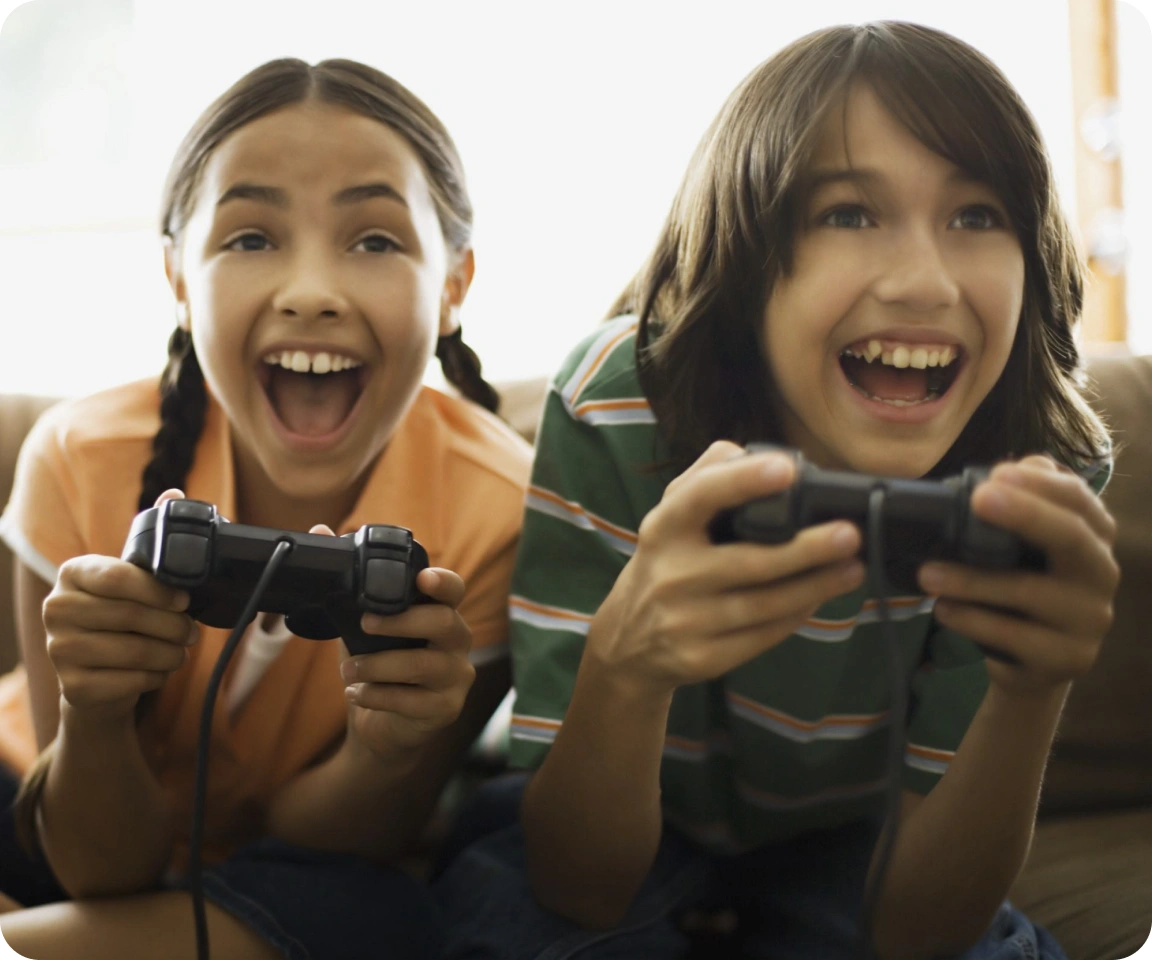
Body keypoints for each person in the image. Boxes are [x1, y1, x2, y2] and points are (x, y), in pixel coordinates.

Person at [435, 21, 1119, 960]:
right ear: (744, 258)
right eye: (848, 212)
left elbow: (922, 935)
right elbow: (578, 885)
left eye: (976, 215)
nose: (925, 282)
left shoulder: (1037, 471)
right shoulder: (616, 406)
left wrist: (1032, 692)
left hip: (857, 842)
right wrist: (627, 668)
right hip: (626, 806)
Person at [0, 57, 532, 960]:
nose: (311, 291)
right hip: (48, 818)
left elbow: (336, 842)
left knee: (380, 914)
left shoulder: (499, 510)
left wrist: (386, 750)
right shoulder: (79, 458)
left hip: (298, 877)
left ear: (454, 285)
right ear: (177, 275)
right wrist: (93, 713)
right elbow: (97, 864)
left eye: (374, 241)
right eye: (250, 239)